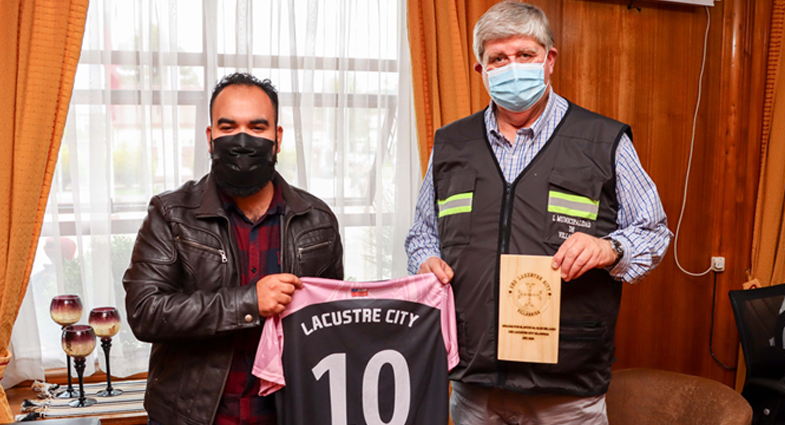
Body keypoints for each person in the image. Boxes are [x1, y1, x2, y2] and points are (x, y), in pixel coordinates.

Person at [405, 2, 672, 424]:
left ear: (549, 60)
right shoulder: (451, 144)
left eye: (525, 54)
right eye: (498, 58)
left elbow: (654, 232)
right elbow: (422, 234)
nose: (512, 67)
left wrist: (609, 249)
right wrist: (425, 260)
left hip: (567, 389)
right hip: (474, 385)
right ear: (481, 70)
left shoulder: (603, 140)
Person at [124, 73, 343, 425]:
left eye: (257, 127)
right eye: (228, 127)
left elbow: (332, 323)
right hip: (190, 418)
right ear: (210, 137)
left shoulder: (317, 220)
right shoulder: (170, 213)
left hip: (289, 415)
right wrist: (248, 302)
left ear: (278, 138)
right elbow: (144, 312)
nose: (242, 140)